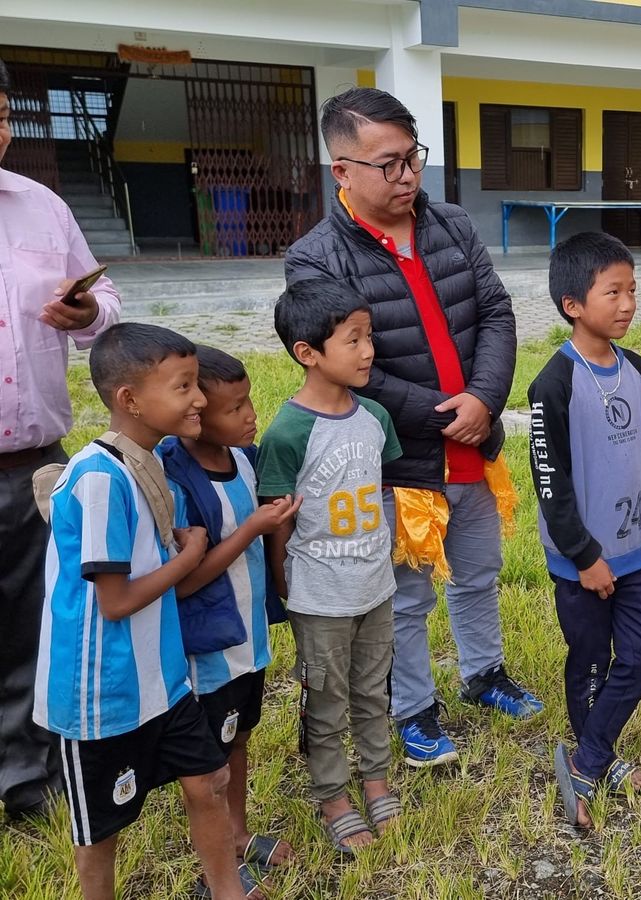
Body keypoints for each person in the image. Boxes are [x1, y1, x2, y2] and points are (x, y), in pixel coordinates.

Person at [285, 87, 541, 769]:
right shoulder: (315, 258)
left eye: (413, 157)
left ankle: (484, 673)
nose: (407, 176)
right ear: (342, 170)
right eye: (388, 164)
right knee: (404, 597)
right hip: (398, 460)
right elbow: (348, 369)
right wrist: (448, 414)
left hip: (474, 446)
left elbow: (496, 312)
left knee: (478, 573)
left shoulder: (450, 223)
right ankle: (413, 708)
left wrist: (484, 399)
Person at [33, 323, 245, 900]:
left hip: (162, 677)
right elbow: (116, 601)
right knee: (101, 827)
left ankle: (226, 890)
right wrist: (192, 555)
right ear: (130, 399)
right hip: (102, 691)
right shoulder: (100, 479)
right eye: (184, 386)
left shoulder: (144, 466)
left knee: (210, 779)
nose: (199, 399)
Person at [0, 54, 122, 821]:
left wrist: (90, 313)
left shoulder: (41, 207)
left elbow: (105, 299)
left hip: (30, 465)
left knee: (28, 622)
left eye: (0, 115)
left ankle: (25, 775)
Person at [529, 233, 641, 828]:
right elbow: (550, 484)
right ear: (573, 305)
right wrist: (584, 556)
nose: (628, 303)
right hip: (582, 563)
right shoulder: (553, 384)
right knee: (590, 660)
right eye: (612, 292)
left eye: (632, 290)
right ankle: (601, 760)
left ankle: (586, 761)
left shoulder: (637, 371)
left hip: (636, 551)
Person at [257, 279, 404, 853]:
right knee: (326, 700)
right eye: (353, 340)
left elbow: (381, 492)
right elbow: (278, 522)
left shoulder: (375, 417)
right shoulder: (288, 432)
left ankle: (376, 780)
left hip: (375, 588)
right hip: (319, 597)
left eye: (369, 337)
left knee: (373, 691)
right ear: (307, 353)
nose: (368, 351)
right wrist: (285, 588)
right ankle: (333, 795)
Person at [160, 345, 300, 882]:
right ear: (195, 415)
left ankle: (238, 835)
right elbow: (185, 580)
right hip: (209, 649)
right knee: (209, 766)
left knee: (238, 738)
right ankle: (216, 871)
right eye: (234, 408)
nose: (250, 416)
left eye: (248, 402)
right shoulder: (175, 478)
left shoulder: (244, 458)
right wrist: (252, 529)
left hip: (249, 639)